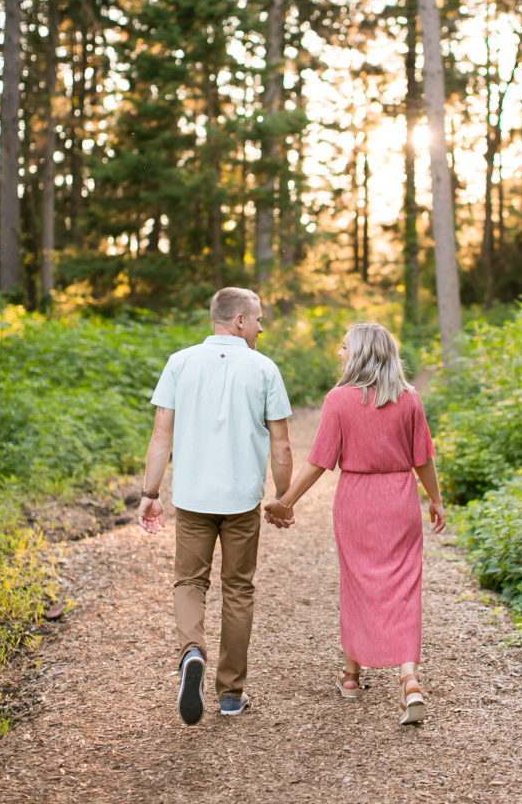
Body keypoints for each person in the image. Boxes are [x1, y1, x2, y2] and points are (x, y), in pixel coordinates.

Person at [264, 322, 445, 725]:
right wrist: (434, 499)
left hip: (356, 501)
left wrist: (285, 501)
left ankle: (350, 676)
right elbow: (423, 458)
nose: (339, 353)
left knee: (358, 583)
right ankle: (409, 679)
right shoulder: (408, 398)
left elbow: (318, 462)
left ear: (361, 353)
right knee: (403, 586)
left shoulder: (339, 400)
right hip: (399, 500)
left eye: (344, 347)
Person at [138, 286, 294, 725]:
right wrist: (283, 499)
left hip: (192, 498)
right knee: (239, 589)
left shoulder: (180, 363)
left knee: (189, 582)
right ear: (239, 321)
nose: (262, 326)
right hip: (242, 500)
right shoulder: (264, 369)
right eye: (259, 318)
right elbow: (281, 446)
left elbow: (160, 436)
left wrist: (150, 494)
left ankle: (192, 651)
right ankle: (230, 694)